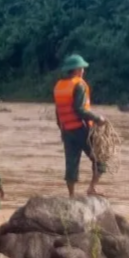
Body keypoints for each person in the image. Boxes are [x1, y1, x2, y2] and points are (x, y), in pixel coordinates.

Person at [54, 54, 107, 198]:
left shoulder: (59, 86)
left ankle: (71, 195)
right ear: (77, 69)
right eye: (82, 68)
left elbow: (58, 112)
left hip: (67, 130)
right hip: (82, 129)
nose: (83, 71)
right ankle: (92, 188)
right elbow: (80, 109)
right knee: (100, 159)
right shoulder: (79, 85)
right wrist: (97, 118)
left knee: (71, 164)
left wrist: (62, 129)